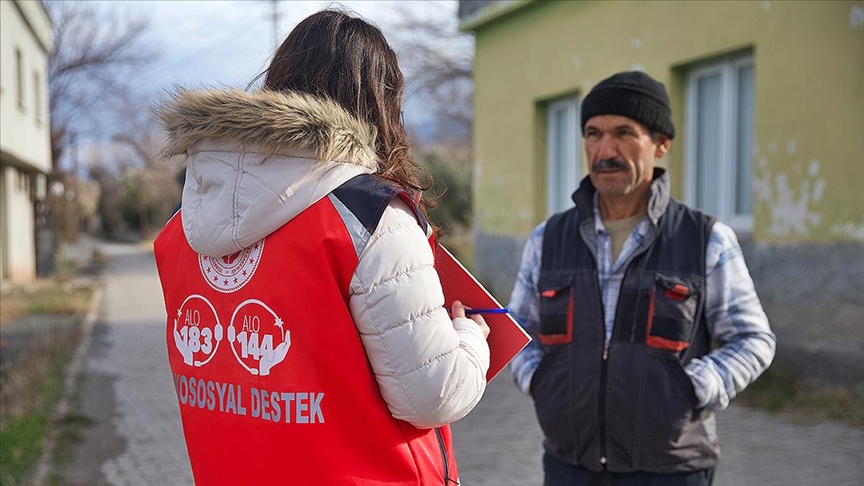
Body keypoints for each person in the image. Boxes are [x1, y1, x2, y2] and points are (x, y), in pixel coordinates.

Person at [153, 9, 490, 485]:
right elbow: (433, 396)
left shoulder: (181, 228)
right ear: (379, 104)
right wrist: (472, 340)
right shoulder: (367, 217)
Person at [508, 71, 776, 486]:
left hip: (672, 469)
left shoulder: (705, 239)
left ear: (661, 143)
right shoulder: (548, 238)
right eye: (593, 134)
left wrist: (692, 388)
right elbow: (519, 329)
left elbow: (754, 339)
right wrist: (543, 383)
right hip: (568, 466)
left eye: (624, 133)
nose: (605, 149)